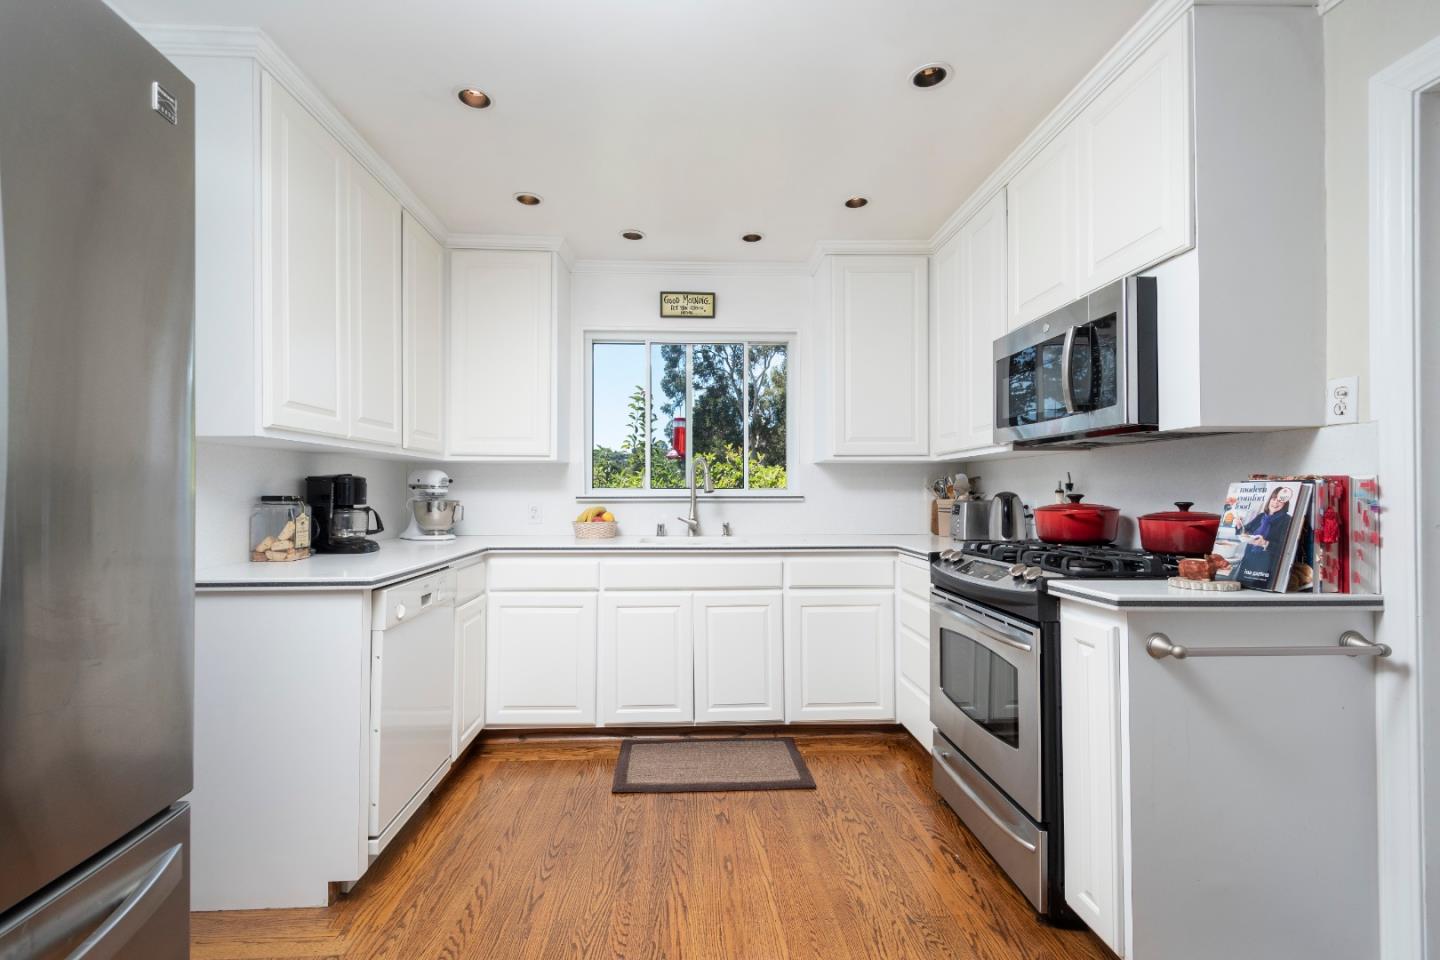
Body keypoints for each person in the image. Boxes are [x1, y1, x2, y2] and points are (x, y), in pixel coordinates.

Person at [1235, 486, 1294, 586]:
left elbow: (1287, 548)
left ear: (1285, 503)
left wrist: (1265, 543)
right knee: (1241, 587)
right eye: (1274, 499)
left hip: (1267, 566)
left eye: (1280, 501)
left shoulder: (1287, 520)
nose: (1275, 503)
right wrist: (1239, 525)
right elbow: (1245, 531)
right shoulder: (1261, 516)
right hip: (1248, 561)